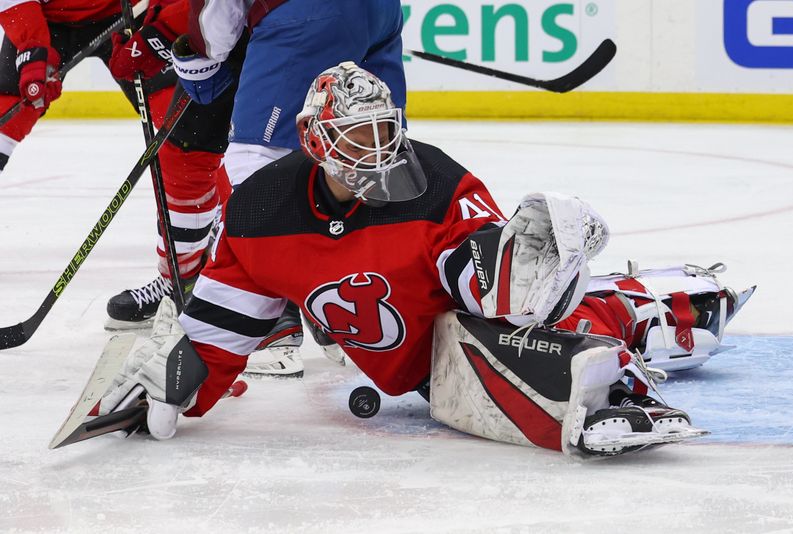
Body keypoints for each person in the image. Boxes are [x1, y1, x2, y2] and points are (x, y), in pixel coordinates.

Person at [92, 63, 752, 457]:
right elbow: (221, 333)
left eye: (384, 129)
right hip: (416, 377)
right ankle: (630, 309)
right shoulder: (260, 214)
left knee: (503, 342)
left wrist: (523, 267)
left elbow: (488, 285)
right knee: (480, 365)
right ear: (314, 140)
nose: (377, 148)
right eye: (357, 134)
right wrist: (182, 379)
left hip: (460, 339)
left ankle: (628, 354)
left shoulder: (432, 182)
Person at [168, 0, 407, 376]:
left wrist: (206, 51)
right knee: (368, 151)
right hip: (381, 11)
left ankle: (271, 326)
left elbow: (215, 23)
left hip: (308, 12)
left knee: (256, 163)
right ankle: (360, 309)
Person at [0, 0, 236, 330]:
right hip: (46, 17)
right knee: (5, 114)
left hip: (133, 11)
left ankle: (208, 270)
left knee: (186, 141)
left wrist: (161, 26)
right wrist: (31, 46)